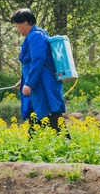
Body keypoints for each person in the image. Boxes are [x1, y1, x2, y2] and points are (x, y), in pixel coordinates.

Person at [10, 8, 70, 136]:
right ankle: (33, 146)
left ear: (26, 22)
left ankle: (67, 144)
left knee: (49, 110)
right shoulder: (37, 34)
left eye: (18, 25)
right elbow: (32, 62)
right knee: (36, 111)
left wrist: (30, 83)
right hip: (39, 81)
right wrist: (24, 80)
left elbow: (38, 59)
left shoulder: (36, 36)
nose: (17, 29)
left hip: (43, 82)